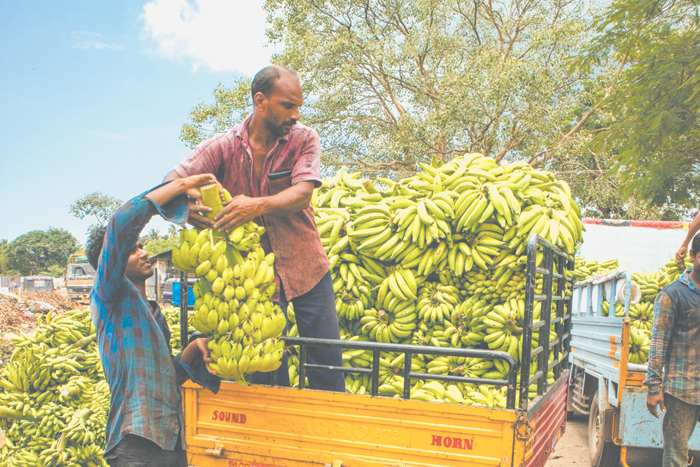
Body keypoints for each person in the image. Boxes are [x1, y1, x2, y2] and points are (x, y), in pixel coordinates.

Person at [164, 65, 344, 392]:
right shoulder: (222, 147)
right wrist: (190, 210)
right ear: (261, 101)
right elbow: (170, 183)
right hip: (249, 277)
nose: (295, 114)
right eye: (287, 105)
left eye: (298, 106)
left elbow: (303, 193)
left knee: (326, 360)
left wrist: (255, 205)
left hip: (305, 266)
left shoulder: (304, 138)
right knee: (267, 367)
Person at [86, 174, 221, 467]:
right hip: (137, 440)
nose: (144, 252)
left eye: (141, 246)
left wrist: (193, 348)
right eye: (134, 248)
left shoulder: (152, 312)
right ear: (113, 259)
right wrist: (178, 188)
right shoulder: (109, 295)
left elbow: (167, 379)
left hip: (170, 438)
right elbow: (120, 227)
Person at [646, 233, 700, 467]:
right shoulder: (672, 294)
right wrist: (653, 388)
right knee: (676, 458)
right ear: (692, 256)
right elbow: (658, 344)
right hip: (682, 391)